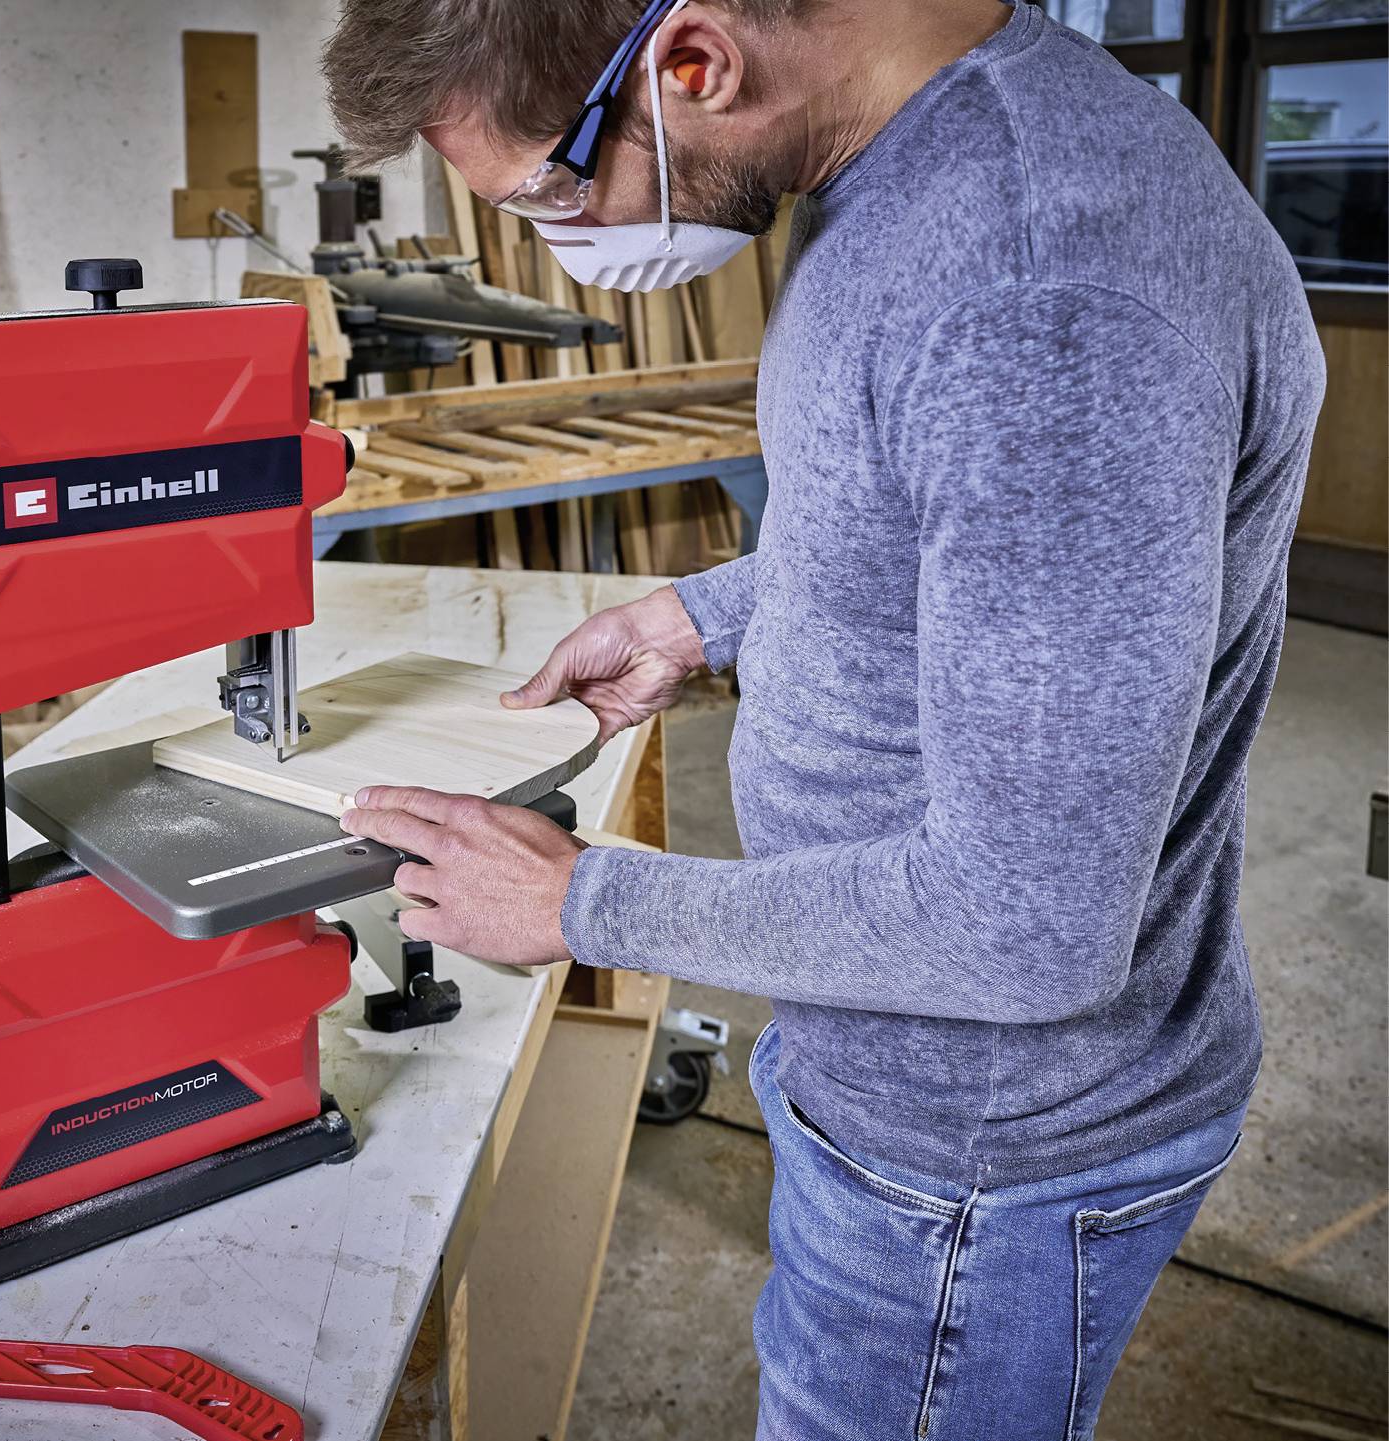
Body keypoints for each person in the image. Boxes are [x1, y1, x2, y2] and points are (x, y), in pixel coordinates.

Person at [325, 1, 1325, 1435]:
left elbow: (1024, 921)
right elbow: (933, 518)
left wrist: (586, 899)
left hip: (976, 1152)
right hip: (895, 1061)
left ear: (694, 64)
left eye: (557, 189)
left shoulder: (1039, 293)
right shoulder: (898, 148)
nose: (568, 240)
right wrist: (709, 616)